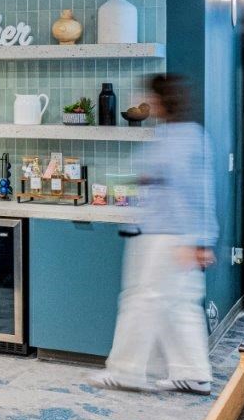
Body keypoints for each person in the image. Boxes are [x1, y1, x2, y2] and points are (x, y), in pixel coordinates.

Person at [91, 74, 218, 395]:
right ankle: (193, 373)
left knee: (141, 300)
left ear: (162, 100)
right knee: (179, 304)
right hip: (161, 233)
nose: (147, 103)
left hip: (167, 236)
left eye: (151, 97)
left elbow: (199, 192)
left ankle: (127, 371)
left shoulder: (183, 139)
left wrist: (199, 240)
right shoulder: (175, 136)